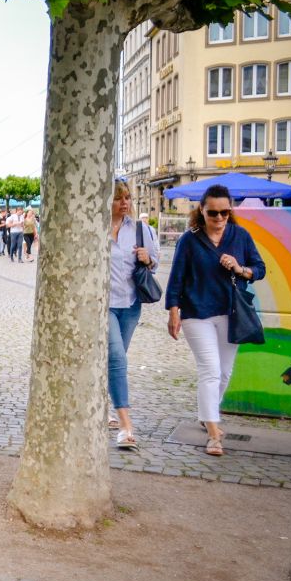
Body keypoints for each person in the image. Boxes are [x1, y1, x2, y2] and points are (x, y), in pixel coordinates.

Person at [164, 184, 265, 457]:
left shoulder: (240, 236)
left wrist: (240, 269)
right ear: (202, 210)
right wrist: (173, 312)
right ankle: (213, 433)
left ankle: (207, 413)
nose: (219, 218)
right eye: (213, 213)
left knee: (224, 372)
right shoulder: (189, 240)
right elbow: (176, 279)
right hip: (197, 314)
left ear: (230, 211)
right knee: (210, 370)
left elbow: (260, 268)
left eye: (224, 212)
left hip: (231, 313)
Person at [107, 182, 159, 450]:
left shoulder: (140, 229)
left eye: (127, 197)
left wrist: (147, 259)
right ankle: (125, 425)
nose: (125, 203)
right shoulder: (95, 229)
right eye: (118, 198)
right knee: (117, 358)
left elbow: (155, 264)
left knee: (113, 359)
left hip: (130, 304)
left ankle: (102, 404)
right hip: (103, 306)